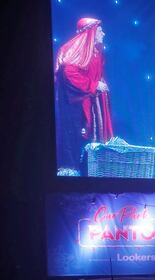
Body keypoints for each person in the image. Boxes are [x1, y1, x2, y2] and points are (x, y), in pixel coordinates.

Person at [55, 18, 114, 176]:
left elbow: (96, 73)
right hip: (73, 100)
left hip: (89, 99)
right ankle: (68, 169)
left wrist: (99, 85)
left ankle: (88, 168)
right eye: (100, 30)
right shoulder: (75, 49)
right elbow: (69, 73)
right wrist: (94, 85)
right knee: (71, 132)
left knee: (88, 133)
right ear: (92, 32)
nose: (103, 33)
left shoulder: (96, 51)